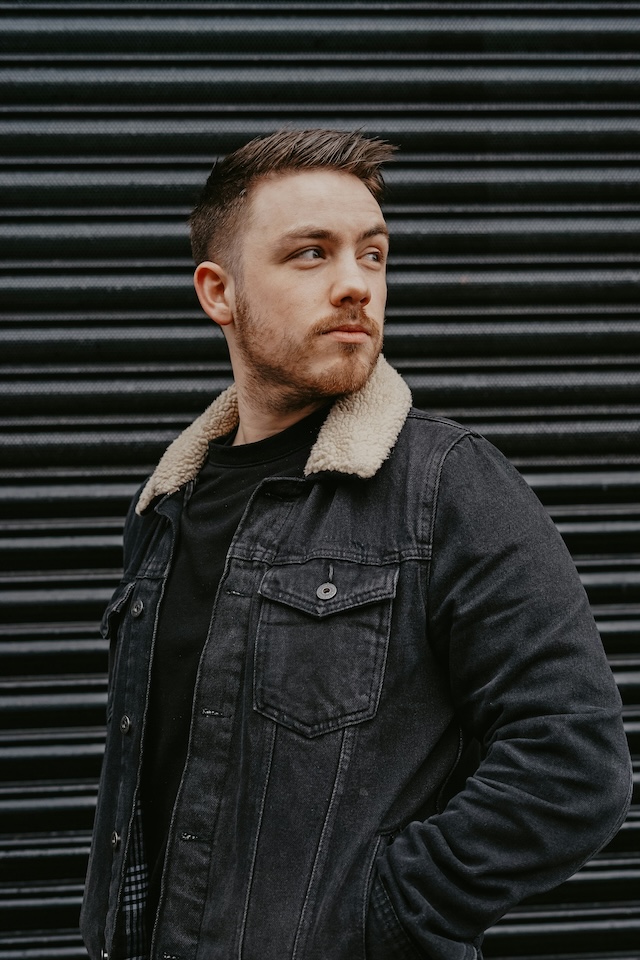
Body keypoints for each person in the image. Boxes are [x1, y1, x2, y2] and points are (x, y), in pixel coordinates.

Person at [81, 129, 632, 960]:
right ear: (217, 292)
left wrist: (379, 916)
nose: (355, 285)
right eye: (311, 254)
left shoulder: (448, 485)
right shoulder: (168, 506)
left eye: (372, 255)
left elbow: (575, 767)